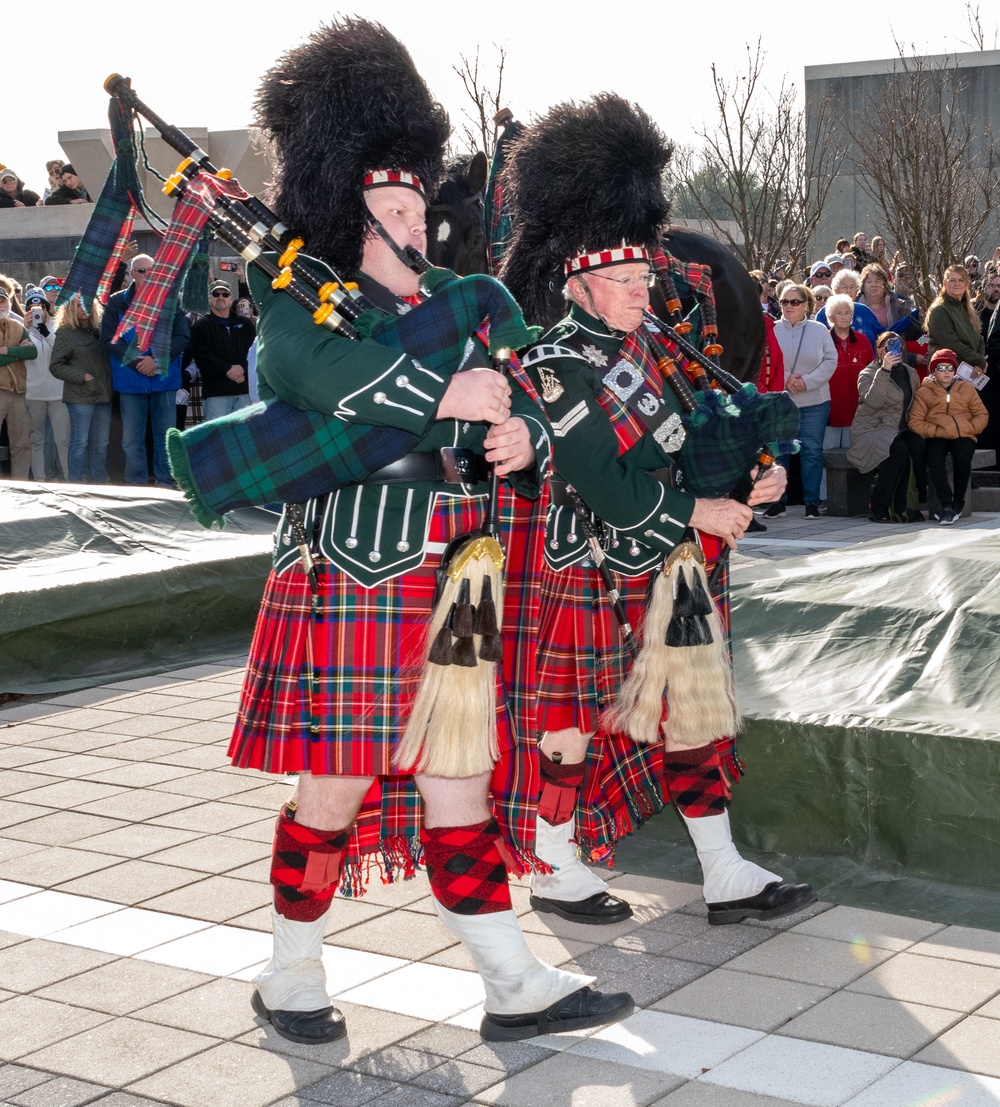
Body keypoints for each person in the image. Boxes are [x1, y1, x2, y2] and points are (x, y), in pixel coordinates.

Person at [227, 20, 631, 1047]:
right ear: (344, 217)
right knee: (338, 783)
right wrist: (449, 393)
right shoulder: (303, 304)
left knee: (461, 773)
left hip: (461, 569)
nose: (416, 224)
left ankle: (510, 981)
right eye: (392, 208)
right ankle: (290, 971)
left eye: (417, 204)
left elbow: (537, 388)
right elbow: (312, 378)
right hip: (357, 562)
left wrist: (522, 436)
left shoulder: (471, 299)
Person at [499, 94, 813, 930]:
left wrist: (750, 484)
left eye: (645, 277)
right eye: (629, 280)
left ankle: (725, 870)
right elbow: (602, 479)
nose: (646, 290)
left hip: (668, 561)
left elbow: (689, 442)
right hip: (593, 562)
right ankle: (555, 865)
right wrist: (698, 510)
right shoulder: (556, 362)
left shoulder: (653, 348)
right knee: (571, 725)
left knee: (693, 708)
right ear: (583, 281)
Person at [102, 253, 190, 486]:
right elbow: (110, 339)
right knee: (131, 440)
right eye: (142, 271)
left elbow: (182, 336)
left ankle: (167, 484)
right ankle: (137, 485)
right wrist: (138, 363)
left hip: (164, 380)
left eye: (152, 271)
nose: (148, 276)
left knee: (166, 438)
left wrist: (156, 361)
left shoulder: (172, 300)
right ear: (132, 274)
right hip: (130, 382)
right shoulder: (116, 301)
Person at [765, 283, 836, 519]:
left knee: (812, 452)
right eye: (784, 301)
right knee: (779, 453)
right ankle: (777, 502)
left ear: (806, 305)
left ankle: (812, 503)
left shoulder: (819, 330)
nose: (788, 306)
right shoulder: (772, 330)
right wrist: (785, 380)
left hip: (815, 401)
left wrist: (806, 382)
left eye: (794, 302)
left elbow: (830, 361)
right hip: (782, 401)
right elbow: (766, 360)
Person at [847, 332, 924, 523]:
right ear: (879, 351)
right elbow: (873, 402)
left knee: (919, 445)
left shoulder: (910, 373)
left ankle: (908, 504)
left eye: (896, 347)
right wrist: (885, 370)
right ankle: (878, 504)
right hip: (871, 428)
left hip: (899, 429)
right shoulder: (868, 373)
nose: (892, 352)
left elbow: (914, 403)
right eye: (887, 348)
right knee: (898, 450)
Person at [908, 347, 988, 525]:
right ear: (933, 371)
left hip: (963, 433)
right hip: (937, 434)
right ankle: (946, 504)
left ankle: (958, 502)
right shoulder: (924, 390)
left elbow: (982, 414)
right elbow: (915, 421)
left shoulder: (966, 388)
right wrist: (935, 431)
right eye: (941, 368)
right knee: (934, 458)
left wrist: (970, 428)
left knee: (962, 457)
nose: (946, 372)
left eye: (950, 368)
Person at [50, 297, 113, 482]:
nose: (83, 308)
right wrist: (83, 376)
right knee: (80, 443)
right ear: (70, 309)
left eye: (86, 304)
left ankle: (99, 483)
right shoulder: (65, 332)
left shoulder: (100, 330)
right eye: (78, 305)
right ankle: (76, 486)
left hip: (104, 395)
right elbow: (55, 366)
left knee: (101, 444)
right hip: (80, 397)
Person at [188, 281, 254, 420]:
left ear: (231, 298)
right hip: (216, 393)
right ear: (209, 298)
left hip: (245, 391)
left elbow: (253, 350)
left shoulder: (246, 323)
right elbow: (203, 357)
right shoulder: (200, 327)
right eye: (216, 294)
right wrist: (229, 369)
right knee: (217, 438)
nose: (220, 297)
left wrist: (242, 367)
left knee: (249, 437)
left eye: (225, 294)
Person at [22, 290, 69, 480]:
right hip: (33, 393)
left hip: (58, 392)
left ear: (47, 307)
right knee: (36, 441)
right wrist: (26, 330)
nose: (37, 311)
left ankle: (69, 480)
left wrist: (44, 331)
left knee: (63, 441)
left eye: (41, 307)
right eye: (32, 308)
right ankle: (40, 481)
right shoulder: (19, 329)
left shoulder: (59, 326)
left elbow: (62, 351)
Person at [825, 292, 874, 448]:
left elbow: (872, 370)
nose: (844, 317)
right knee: (828, 454)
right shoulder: (824, 340)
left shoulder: (862, 340)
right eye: (839, 313)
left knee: (852, 453)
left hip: (857, 409)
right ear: (831, 317)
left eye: (847, 313)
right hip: (831, 410)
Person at [0, 279, 36, 479]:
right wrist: (18, 353)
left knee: (22, 444)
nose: (1, 305)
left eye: (3, 301)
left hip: (18, 393)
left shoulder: (17, 325)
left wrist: (7, 351)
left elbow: (32, 353)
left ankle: (21, 486)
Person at [925, 265, 987, 376]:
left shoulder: (967, 310)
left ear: (966, 284)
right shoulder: (939, 310)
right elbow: (951, 344)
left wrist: (979, 362)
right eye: (952, 280)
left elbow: (979, 339)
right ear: (945, 283)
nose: (957, 284)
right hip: (946, 374)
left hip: (970, 372)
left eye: (961, 280)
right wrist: (978, 360)